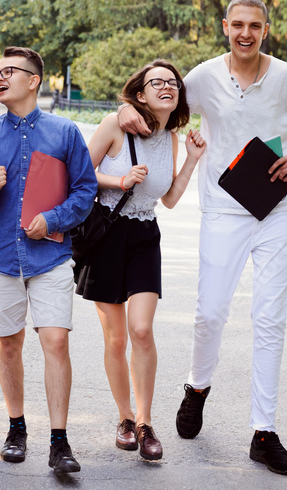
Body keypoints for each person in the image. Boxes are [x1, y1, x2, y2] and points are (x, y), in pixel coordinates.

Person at [118, 0, 287, 475]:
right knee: (210, 313)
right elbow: (160, 101)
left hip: (279, 210)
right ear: (225, 27)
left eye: (255, 25)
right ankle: (197, 386)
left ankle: (264, 432)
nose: (246, 33)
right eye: (238, 25)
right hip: (224, 212)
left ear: (266, 29)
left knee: (269, 319)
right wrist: (125, 108)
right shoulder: (204, 76)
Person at [0, 47, 98, 475]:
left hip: (50, 255)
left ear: (34, 80)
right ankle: (16, 427)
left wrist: (52, 219)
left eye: (8, 72)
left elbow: (85, 189)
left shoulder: (64, 132)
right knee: (9, 344)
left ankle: (59, 441)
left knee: (55, 340)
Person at [80, 59, 205, 461]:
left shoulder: (171, 137)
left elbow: (167, 199)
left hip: (145, 235)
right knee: (116, 338)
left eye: (173, 82)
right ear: (140, 92)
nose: (167, 86)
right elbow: (78, 170)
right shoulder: (115, 125)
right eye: (157, 82)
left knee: (142, 330)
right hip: (106, 236)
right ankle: (125, 417)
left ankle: (146, 422)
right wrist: (119, 180)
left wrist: (190, 160)